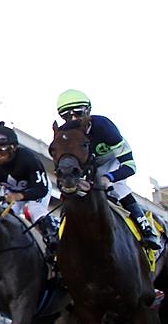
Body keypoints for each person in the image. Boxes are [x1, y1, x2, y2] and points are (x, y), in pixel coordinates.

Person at [55, 89, 160, 250]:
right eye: (67, 116)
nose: (73, 119)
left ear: (88, 111)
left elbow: (130, 166)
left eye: (78, 112)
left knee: (119, 187)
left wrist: (108, 178)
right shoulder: (63, 133)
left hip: (112, 162)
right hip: (86, 167)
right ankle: (59, 236)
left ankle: (144, 226)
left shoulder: (104, 127)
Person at [0, 121, 58, 251]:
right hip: (12, 191)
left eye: (1, 149)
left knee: (35, 211)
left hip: (36, 188)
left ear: (13, 148)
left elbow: (41, 189)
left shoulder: (29, 160)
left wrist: (19, 196)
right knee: (4, 217)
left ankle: (53, 241)